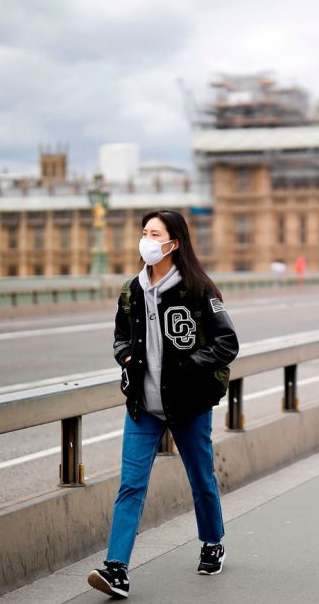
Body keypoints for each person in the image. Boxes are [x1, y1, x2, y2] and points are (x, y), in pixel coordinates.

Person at [88, 210, 239, 599]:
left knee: (200, 478)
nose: (147, 240)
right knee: (130, 485)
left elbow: (227, 344)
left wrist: (189, 366)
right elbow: (121, 337)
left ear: (174, 243)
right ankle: (116, 568)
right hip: (143, 405)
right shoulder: (132, 290)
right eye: (144, 232)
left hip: (188, 404)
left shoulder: (198, 290)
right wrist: (125, 358)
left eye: (155, 234)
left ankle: (212, 542)